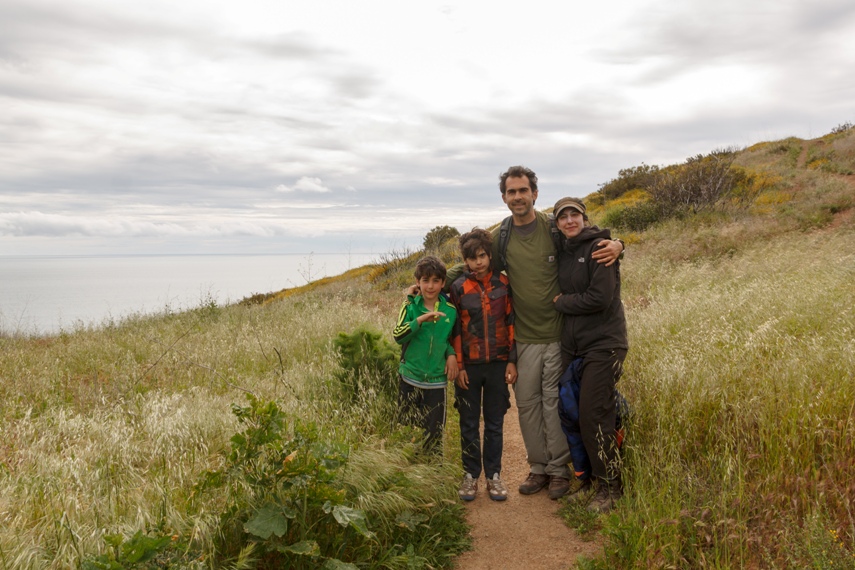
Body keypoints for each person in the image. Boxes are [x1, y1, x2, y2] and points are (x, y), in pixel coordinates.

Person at [446, 166, 624, 500]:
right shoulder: (502, 235)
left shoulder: (552, 228)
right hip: (523, 336)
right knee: (527, 405)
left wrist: (618, 244)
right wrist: (434, 280)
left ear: (534, 194)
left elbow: (586, 238)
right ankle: (538, 468)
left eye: (523, 191)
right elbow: (474, 263)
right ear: (504, 198)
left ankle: (559, 472)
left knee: (552, 404)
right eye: (511, 192)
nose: (517, 197)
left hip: (559, 334)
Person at [552, 196, 629, 513]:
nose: (569, 221)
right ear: (556, 223)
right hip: (574, 348)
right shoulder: (563, 249)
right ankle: (586, 480)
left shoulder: (599, 247)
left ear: (584, 218)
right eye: (563, 217)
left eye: (575, 215)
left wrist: (561, 303)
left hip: (605, 343)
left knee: (594, 415)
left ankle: (611, 488)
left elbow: (599, 298)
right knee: (574, 413)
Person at [449, 229, 518, 502]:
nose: (478, 262)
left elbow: (512, 323)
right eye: (472, 258)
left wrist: (512, 361)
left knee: (494, 423)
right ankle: (470, 476)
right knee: (468, 422)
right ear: (464, 260)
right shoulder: (457, 288)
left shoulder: (503, 284)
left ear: (490, 256)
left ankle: (494, 476)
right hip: (470, 367)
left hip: (498, 365)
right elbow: (455, 330)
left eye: (482, 256)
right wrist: (460, 367)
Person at [393, 256, 459, 453]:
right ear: (417, 282)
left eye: (436, 281)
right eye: (425, 280)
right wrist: (420, 320)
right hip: (410, 377)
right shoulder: (410, 306)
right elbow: (398, 335)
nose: (430, 286)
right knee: (405, 432)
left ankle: (433, 474)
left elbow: (447, 340)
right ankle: (405, 473)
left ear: (443, 283)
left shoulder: (450, 311)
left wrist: (452, 355)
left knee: (434, 434)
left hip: (437, 382)